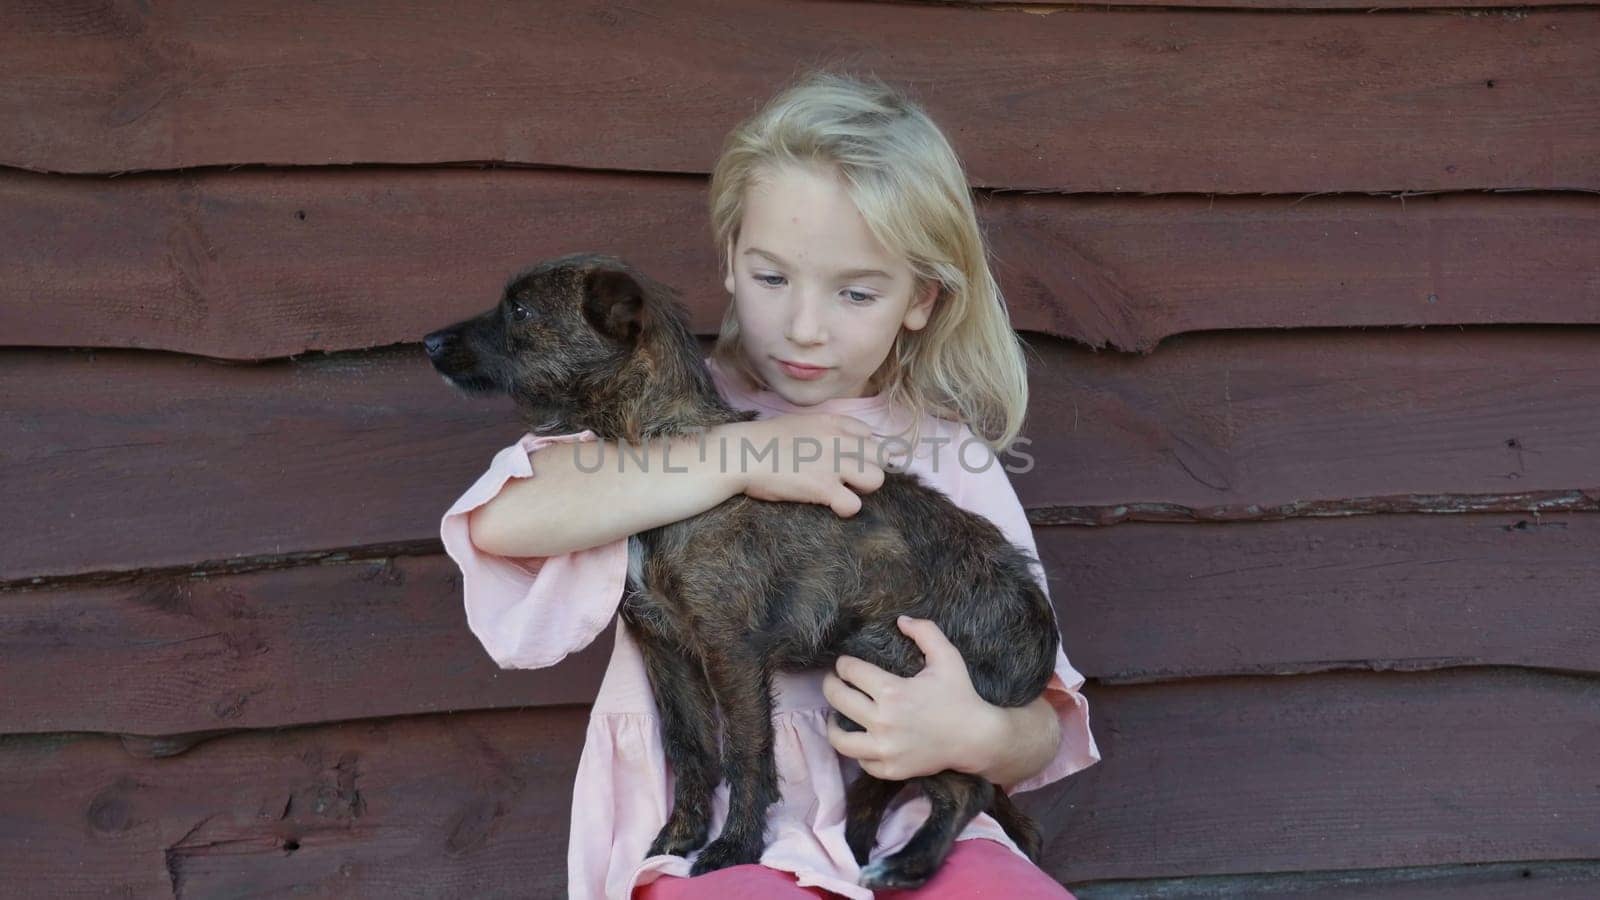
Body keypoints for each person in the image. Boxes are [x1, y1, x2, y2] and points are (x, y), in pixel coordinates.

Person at [440, 70, 1101, 899]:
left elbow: (1041, 721)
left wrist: (977, 733)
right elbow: (504, 522)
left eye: (855, 291)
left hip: (899, 817)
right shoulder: (638, 425)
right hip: (715, 832)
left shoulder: (944, 453)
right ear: (728, 258)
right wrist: (742, 456)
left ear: (922, 298)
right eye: (772, 277)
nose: (803, 326)